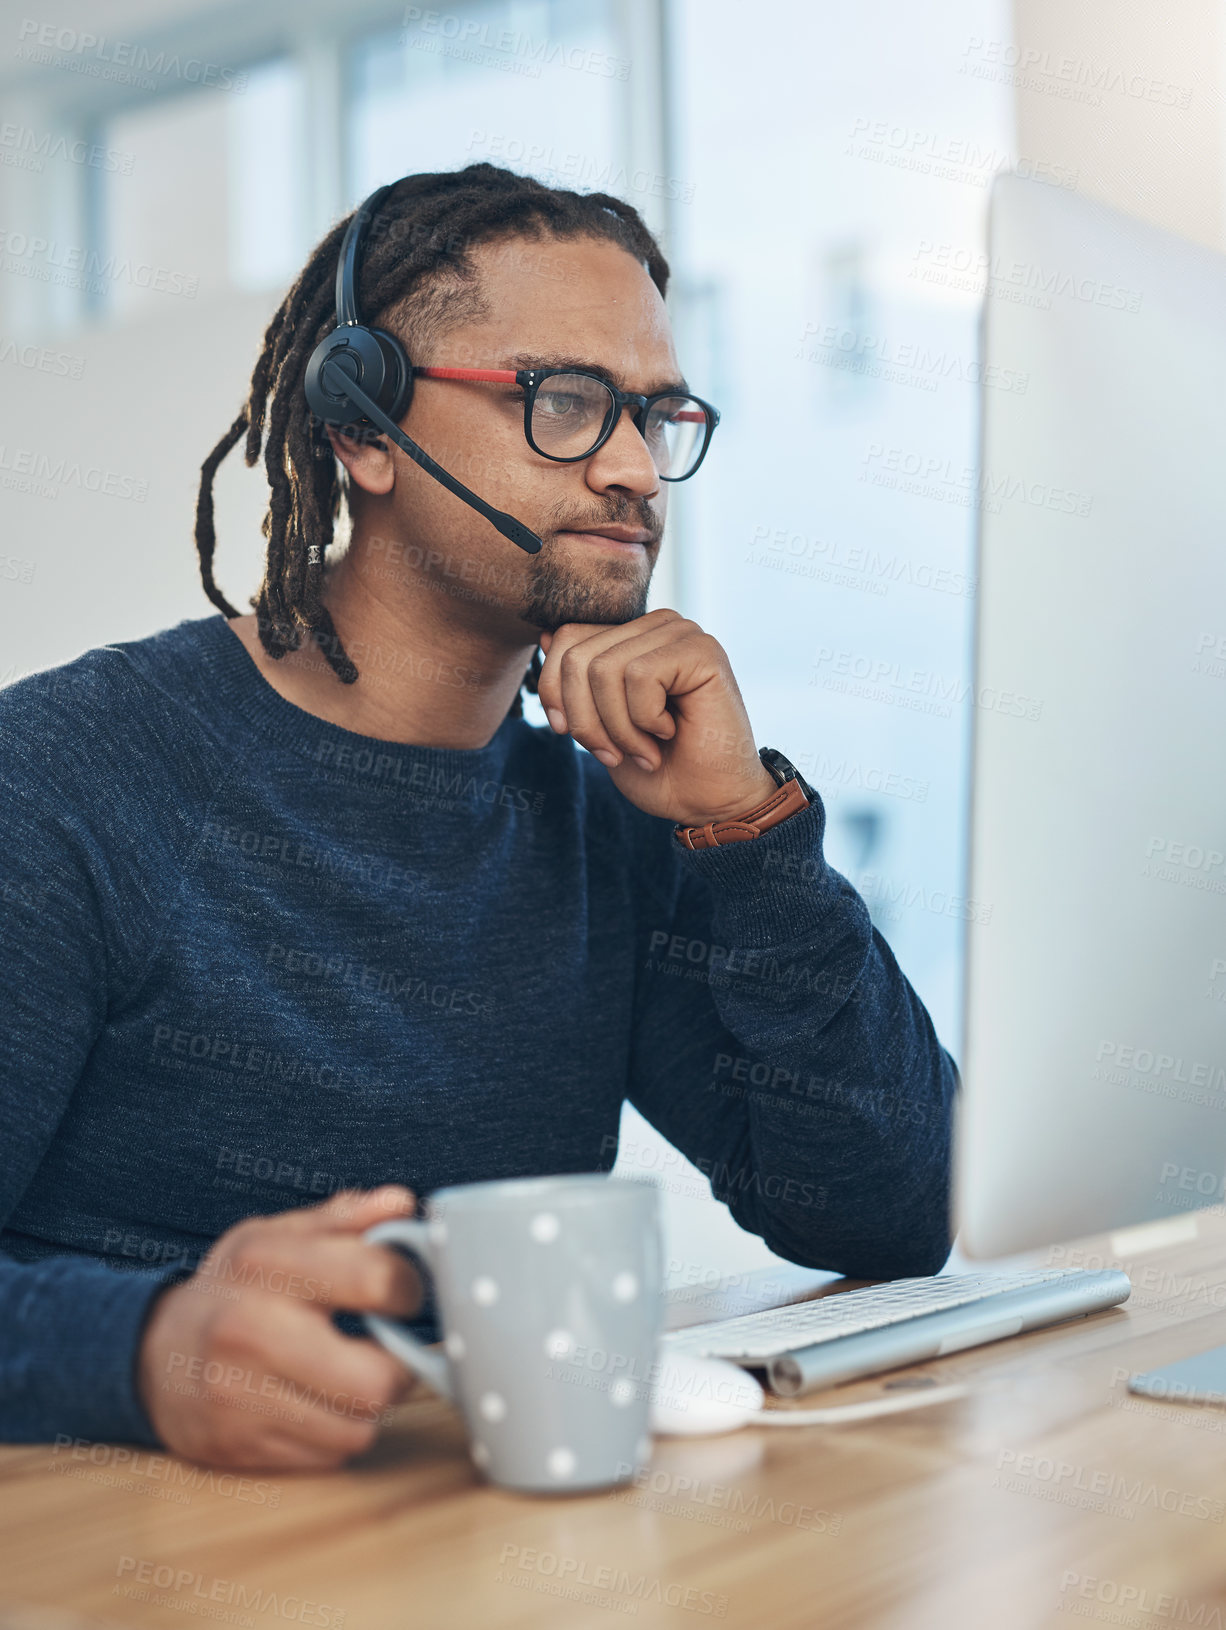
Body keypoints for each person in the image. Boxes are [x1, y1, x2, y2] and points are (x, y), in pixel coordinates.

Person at [0, 164, 958, 1470]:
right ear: (361, 426)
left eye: (655, 413)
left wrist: (747, 833)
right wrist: (140, 1345)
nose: (631, 468)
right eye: (561, 401)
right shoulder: (61, 781)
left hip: (473, 1547)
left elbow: (889, 1212)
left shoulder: (606, 817)